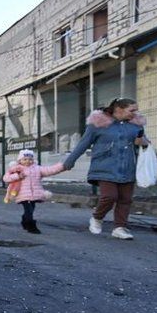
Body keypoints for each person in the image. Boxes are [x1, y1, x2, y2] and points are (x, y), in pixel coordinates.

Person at [63, 98, 149, 240]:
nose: (135, 113)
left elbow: (145, 144)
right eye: (132, 110)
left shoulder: (136, 125)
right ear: (119, 109)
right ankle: (97, 218)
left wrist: (143, 142)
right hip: (105, 167)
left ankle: (120, 228)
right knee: (109, 196)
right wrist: (69, 161)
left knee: (125, 199)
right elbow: (83, 143)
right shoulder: (98, 124)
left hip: (128, 167)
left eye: (136, 110)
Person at [2, 149, 64, 234]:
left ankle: (25, 221)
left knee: (31, 210)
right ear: (20, 160)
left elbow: (49, 170)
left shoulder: (37, 168)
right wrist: (18, 176)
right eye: (25, 159)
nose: (28, 161)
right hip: (23, 195)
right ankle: (31, 227)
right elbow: (6, 178)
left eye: (30, 159)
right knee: (29, 211)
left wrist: (61, 166)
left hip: (35, 194)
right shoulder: (17, 169)